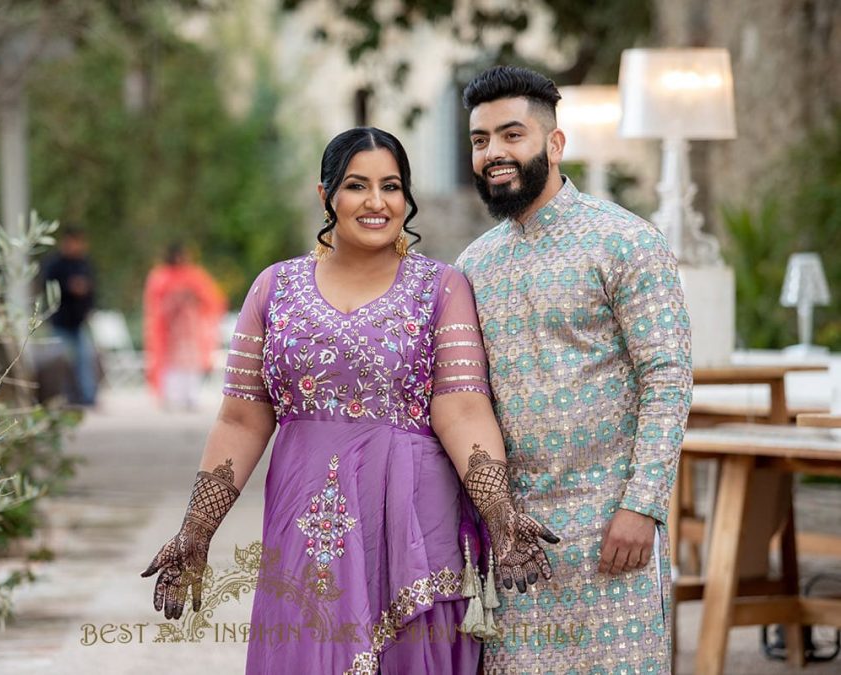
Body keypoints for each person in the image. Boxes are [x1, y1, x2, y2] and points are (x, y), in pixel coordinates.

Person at [141, 127, 559, 674]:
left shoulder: (440, 287)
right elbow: (242, 419)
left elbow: (462, 406)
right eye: (357, 185)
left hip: (413, 519)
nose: (376, 202)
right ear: (326, 195)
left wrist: (501, 516)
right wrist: (195, 531)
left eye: (391, 186)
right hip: (306, 520)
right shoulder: (274, 289)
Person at [455, 65, 693, 673]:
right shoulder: (474, 264)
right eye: (480, 141)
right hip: (517, 539)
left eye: (512, 135)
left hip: (612, 528)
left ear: (555, 144)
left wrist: (644, 505)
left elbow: (667, 380)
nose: (493, 154)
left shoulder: (626, 242)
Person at [143, 244, 226, 410]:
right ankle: (171, 396)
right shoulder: (161, 276)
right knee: (172, 363)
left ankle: (190, 395)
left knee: (190, 362)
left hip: (190, 329)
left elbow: (211, 298)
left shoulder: (193, 275)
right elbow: (156, 304)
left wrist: (190, 299)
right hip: (170, 330)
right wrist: (174, 301)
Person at [42, 226, 98, 406]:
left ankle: (88, 397)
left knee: (85, 359)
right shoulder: (55, 264)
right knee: (61, 362)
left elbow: (91, 290)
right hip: (60, 322)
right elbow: (48, 287)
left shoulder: (83, 264)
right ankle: (64, 396)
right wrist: (69, 287)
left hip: (79, 321)